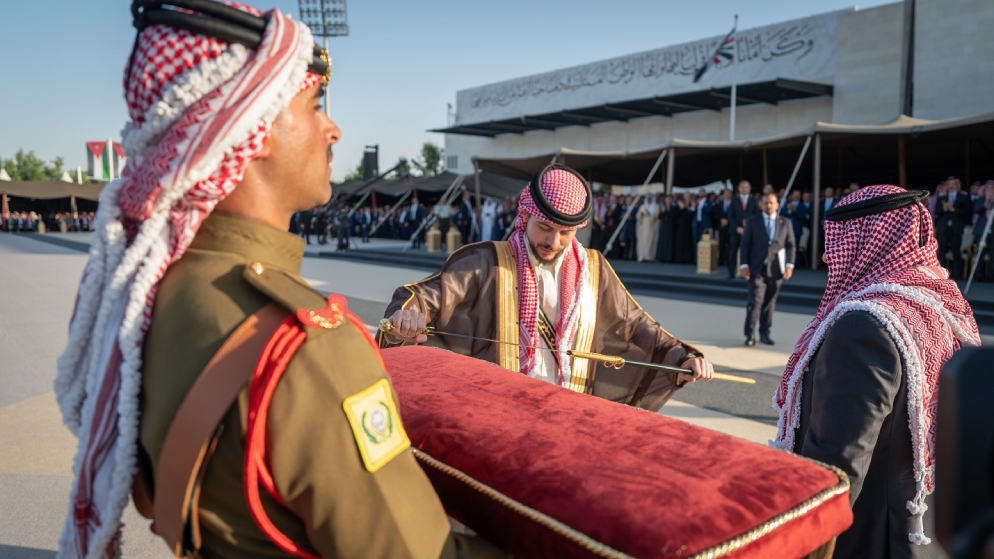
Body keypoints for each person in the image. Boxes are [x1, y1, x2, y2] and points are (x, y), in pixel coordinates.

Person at [53, 3, 505, 559]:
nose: (333, 128)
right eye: (315, 105)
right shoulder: (308, 348)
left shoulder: (151, 295)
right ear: (255, 127)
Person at [379, 164, 714, 398]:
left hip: (569, 407)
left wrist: (682, 358)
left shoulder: (594, 269)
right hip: (500, 408)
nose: (553, 242)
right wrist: (406, 316)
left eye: (565, 232)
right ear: (524, 216)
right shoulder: (486, 260)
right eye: (545, 228)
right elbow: (427, 297)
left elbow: (636, 325)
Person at [773, 185, 980, 558]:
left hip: (863, 535)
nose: (826, 253)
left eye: (836, 240)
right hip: (909, 525)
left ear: (865, 239)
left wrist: (799, 547)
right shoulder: (932, 303)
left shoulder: (864, 324)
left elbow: (838, 465)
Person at [739, 193, 795, 346]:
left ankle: (765, 332)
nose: (768, 206)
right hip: (756, 269)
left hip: (776, 270)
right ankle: (750, 334)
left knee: (770, 303)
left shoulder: (786, 222)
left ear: (777, 205)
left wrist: (790, 265)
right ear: (761, 205)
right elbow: (745, 244)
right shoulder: (752, 221)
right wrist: (744, 265)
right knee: (755, 302)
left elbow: (791, 245)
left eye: (771, 203)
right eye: (765, 203)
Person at [934, 177, 972, 278]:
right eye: (949, 184)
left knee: (956, 251)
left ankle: (956, 275)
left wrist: (953, 209)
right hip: (943, 228)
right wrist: (945, 207)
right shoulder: (942, 197)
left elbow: (966, 211)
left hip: (956, 228)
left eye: (953, 184)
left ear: (957, 185)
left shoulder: (963, 197)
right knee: (941, 251)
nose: (951, 186)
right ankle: (940, 274)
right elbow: (937, 211)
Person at [727, 181, 759, 278]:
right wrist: (737, 227)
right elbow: (730, 216)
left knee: (748, 252)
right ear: (739, 188)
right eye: (742, 187)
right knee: (733, 251)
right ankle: (731, 273)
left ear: (749, 188)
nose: (744, 189)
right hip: (736, 231)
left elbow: (756, 215)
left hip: (749, 231)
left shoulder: (753, 201)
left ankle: (747, 272)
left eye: (746, 187)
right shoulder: (734, 201)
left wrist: (748, 229)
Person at [635, 193, 659, 262]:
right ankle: (642, 256)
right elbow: (638, 216)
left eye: (650, 199)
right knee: (642, 242)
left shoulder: (655, 206)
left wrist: (649, 214)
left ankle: (649, 256)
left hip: (651, 227)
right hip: (643, 227)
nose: (649, 200)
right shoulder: (643, 206)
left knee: (650, 241)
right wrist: (641, 214)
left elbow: (656, 216)